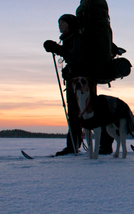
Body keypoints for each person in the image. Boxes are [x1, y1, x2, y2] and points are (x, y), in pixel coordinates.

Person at [44, 15, 114, 156]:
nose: (59, 25)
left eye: (62, 22)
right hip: (78, 81)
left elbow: (76, 58)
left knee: (88, 113)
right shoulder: (71, 38)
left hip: (83, 82)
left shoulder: (79, 37)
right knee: (77, 113)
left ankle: (99, 145)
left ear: (69, 25)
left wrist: (57, 49)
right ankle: (75, 144)